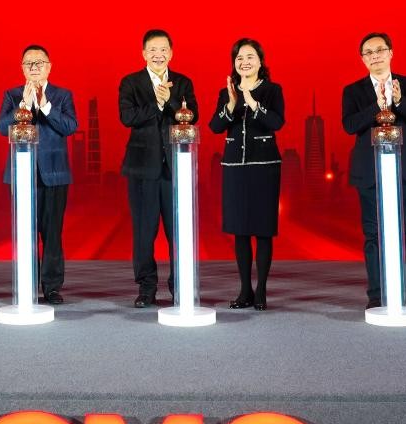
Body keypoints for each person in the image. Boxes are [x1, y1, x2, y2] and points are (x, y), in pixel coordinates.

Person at [341, 32, 406, 309]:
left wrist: (400, 101)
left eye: (380, 50)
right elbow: (349, 125)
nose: (375, 56)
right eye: (368, 53)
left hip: (404, 170)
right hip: (369, 172)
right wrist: (377, 105)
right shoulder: (353, 91)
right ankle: (376, 295)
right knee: (373, 235)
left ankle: (404, 293)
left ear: (391, 53)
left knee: (404, 234)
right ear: (362, 59)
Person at [119, 29, 198, 308]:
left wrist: (172, 101)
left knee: (178, 231)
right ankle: (146, 287)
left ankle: (180, 286)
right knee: (144, 231)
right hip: (142, 169)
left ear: (171, 53)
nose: (158, 54)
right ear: (143, 53)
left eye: (163, 49)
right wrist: (158, 103)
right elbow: (127, 117)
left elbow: (193, 116)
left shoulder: (183, 82)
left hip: (176, 169)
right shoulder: (131, 82)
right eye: (152, 49)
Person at [0, 44, 78, 305]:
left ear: (49, 67)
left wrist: (44, 106)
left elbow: (70, 126)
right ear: (22, 68)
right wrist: (24, 105)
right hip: (22, 173)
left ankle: (52, 287)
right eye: (28, 64)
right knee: (25, 232)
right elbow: (1, 128)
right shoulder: (12, 95)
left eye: (39, 63)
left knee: (52, 234)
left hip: (55, 174)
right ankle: (27, 284)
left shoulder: (62, 95)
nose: (34, 67)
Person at [209, 39, 285, 311]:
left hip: (265, 166)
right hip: (235, 168)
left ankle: (261, 290)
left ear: (260, 61)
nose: (245, 62)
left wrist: (252, 102)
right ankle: (245, 290)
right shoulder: (227, 91)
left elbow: (277, 122)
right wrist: (231, 104)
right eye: (239, 57)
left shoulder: (272, 90)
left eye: (250, 56)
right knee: (240, 230)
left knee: (263, 230)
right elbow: (215, 126)